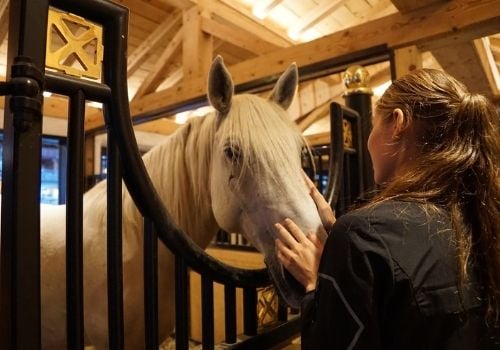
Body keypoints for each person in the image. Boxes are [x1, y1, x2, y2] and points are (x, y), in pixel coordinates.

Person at [274, 68, 500, 349]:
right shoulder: (482, 217)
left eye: (373, 124)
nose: (368, 140)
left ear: (397, 121)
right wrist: (339, 245)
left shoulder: (362, 233)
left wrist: (315, 285)